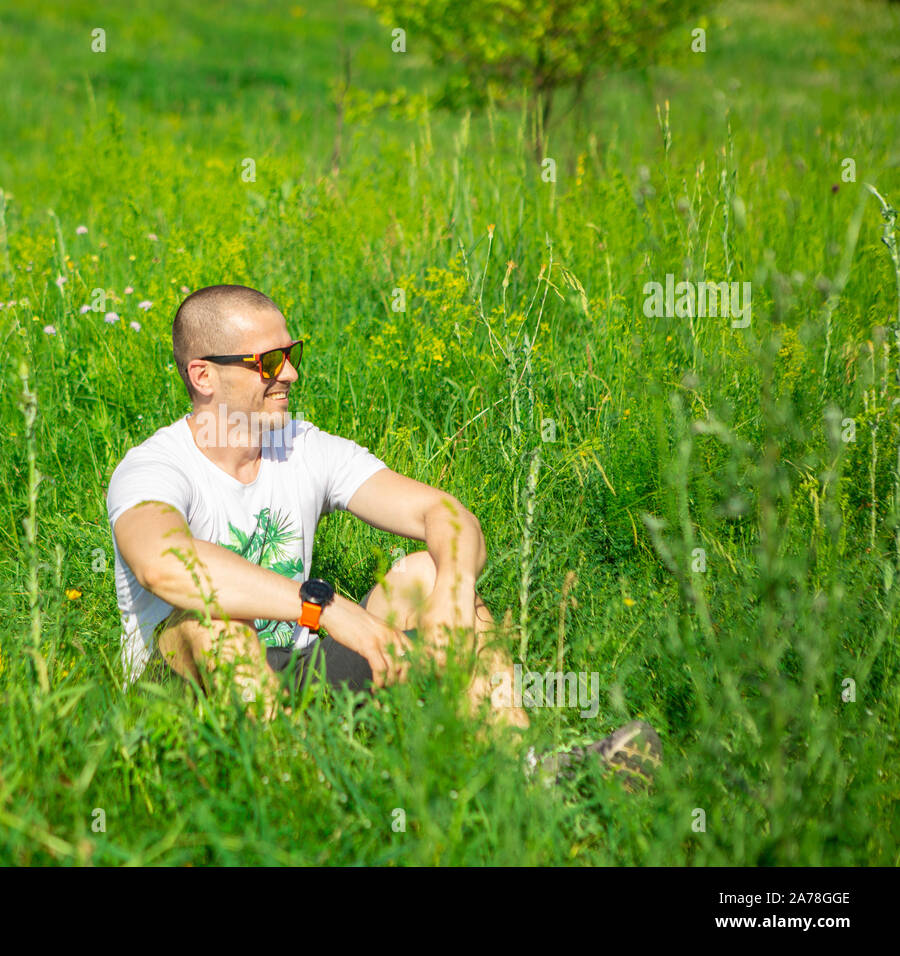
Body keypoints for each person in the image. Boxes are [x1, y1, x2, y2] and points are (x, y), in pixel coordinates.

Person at [106, 284, 660, 783]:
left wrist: (452, 590)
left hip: (297, 679)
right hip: (181, 700)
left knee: (428, 573)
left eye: (291, 355)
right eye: (268, 362)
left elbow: (443, 514)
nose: (291, 374)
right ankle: (288, 800)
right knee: (213, 624)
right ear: (203, 375)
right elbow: (163, 561)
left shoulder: (302, 445)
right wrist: (326, 610)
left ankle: (524, 774)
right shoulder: (154, 468)